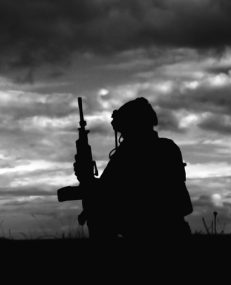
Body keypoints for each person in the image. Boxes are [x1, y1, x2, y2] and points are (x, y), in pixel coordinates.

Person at [77, 97, 193, 239]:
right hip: (175, 227)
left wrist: (85, 176)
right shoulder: (168, 147)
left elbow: (105, 189)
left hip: (142, 227)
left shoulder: (129, 152)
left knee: (98, 217)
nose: (122, 135)